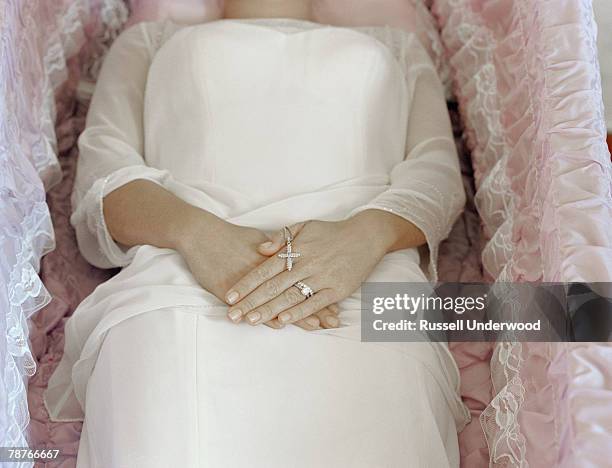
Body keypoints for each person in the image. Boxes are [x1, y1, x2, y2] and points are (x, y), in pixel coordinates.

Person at [44, 0, 470, 466]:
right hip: (185, 284)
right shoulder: (148, 40)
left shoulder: (399, 45)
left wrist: (365, 237)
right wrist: (198, 235)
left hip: (360, 283)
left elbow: (436, 174)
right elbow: (102, 181)